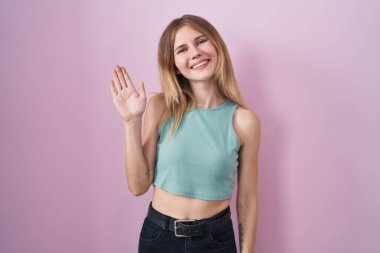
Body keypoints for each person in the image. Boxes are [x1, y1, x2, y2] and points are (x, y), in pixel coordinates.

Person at [109, 14, 260, 253]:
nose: (195, 52)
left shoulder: (244, 121)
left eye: (201, 41)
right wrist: (131, 121)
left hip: (216, 241)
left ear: (216, 46)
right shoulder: (160, 106)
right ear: (174, 65)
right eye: (182, 49)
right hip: (160, 237)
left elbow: (247, 201)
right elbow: (138, 186)